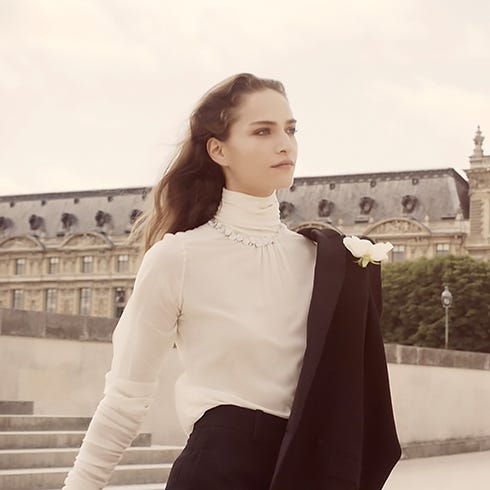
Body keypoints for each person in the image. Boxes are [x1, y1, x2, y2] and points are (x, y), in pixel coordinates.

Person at [62, 73, 401, 490]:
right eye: (263, 130)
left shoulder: (327, 260)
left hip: (308, 474)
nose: (284, 144)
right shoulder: (177, 258)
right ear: (218, 149)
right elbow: (125, 398)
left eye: (290, 130)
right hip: (217, 475)